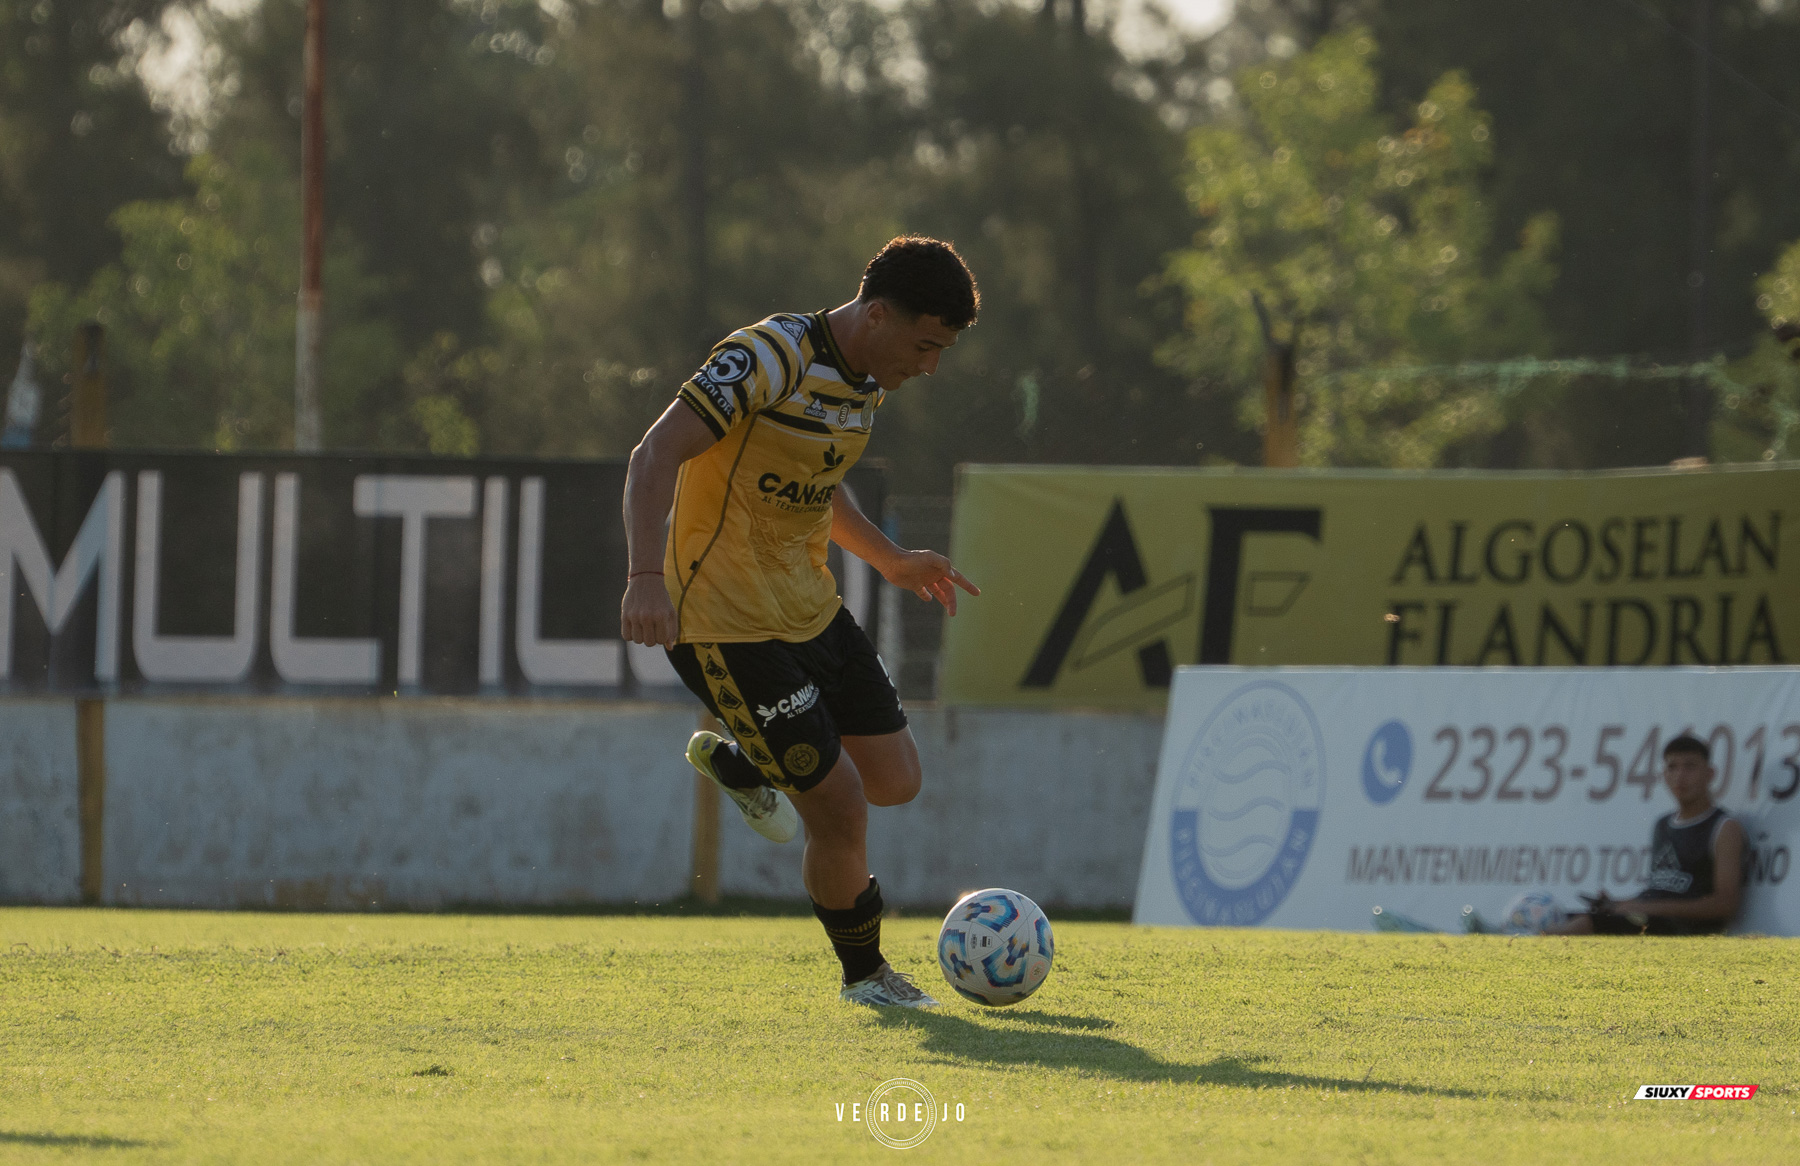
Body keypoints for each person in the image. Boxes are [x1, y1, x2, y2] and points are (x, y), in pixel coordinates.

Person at [619, 236, 981, 1007]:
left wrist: (886, 558)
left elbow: (822, 485)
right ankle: (867, 977)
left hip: (809, 605)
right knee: (840, 807)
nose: (929, 367)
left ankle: (750, 763)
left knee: (896, 780)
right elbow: (652, 457)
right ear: (877, 315)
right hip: (722, 621)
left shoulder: (865, 381)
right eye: (924, 345)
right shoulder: (769, 356)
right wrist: (645, 578)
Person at [1552, 734, 1745, 935]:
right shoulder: (1663, 825)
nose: (1680, 776)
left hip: (1683, 932)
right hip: (1652, 920)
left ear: (1710, 773)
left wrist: (1646, 908)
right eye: (1672, 767)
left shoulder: (1723, 827)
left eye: (1690, 767)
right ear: (1664, 774)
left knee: (1581, 927)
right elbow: (1662, 889)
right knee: (1565, 917)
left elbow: (1725, 904)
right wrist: (1620, 903)